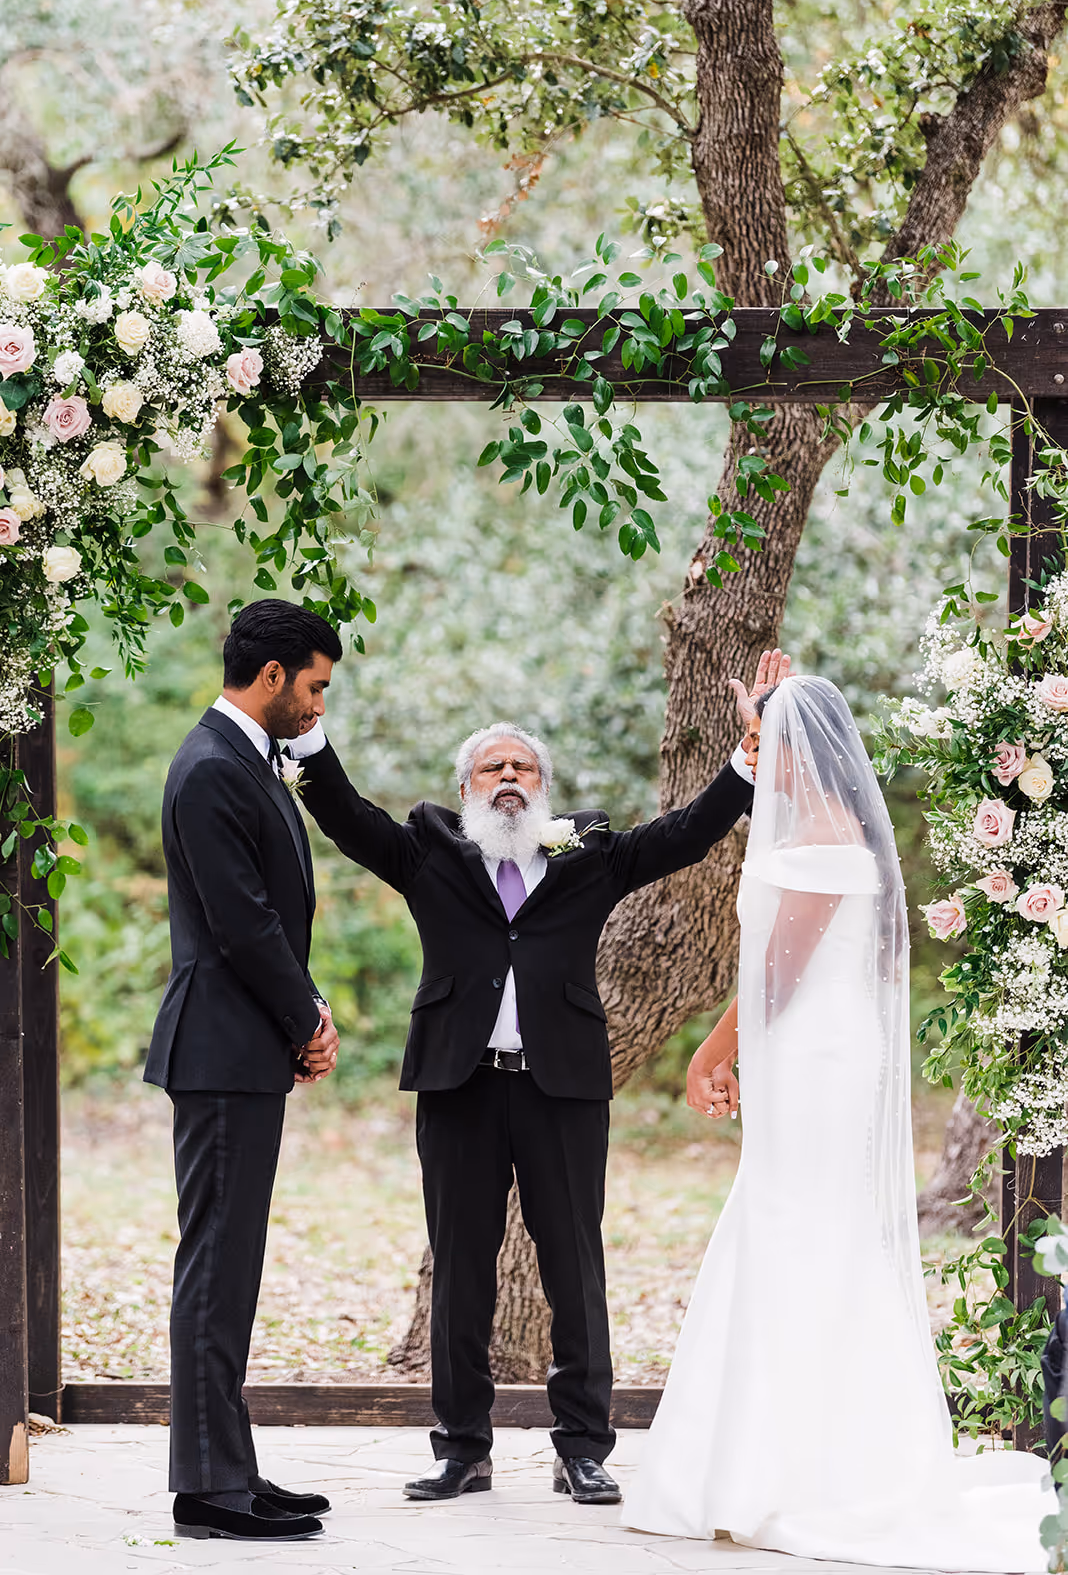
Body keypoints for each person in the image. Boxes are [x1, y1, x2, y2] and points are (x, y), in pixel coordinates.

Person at [285, 649, 790, 1504]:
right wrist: (307, 735)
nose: (510, 776)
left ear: (543, 787)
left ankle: (583, 1448)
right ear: (468, 788)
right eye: (493, 767)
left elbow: (688, 832)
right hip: (460, 1087)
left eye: (523, 766)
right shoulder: (428, 852)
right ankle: (461, 1450)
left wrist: (749, 753)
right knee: (461, 1270)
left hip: (563, 1089)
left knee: (574, 1268)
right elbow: (344, 814)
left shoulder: (590, 853)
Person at [622, 675, 1050, 1571]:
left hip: (814, 1053)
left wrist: (712, 1053)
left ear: (799, 750)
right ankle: (775, 1447)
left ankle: (806, 1463)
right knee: (796, 1221)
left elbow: (779, 970)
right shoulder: (821, 828)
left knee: (800, 1222)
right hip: (812, 1046)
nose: (759, 754)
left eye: (764, 738)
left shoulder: (822, 837)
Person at [144, 599, 344, 1543]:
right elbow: (242, 924)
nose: (318, 706)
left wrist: (306, 1012)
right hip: (222, 1047)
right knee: (216, 1266)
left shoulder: (239, 758)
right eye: (314, 687)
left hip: (241, 1047)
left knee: (232, 1267)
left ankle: (231, 1468)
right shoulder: (211, 766)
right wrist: (308, 1018)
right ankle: (208, 1490)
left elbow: (267, 916)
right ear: (271, 676)